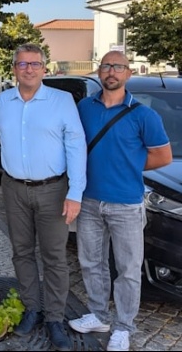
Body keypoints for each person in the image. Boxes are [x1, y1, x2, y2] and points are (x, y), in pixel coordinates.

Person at [0, 43, 86, 351]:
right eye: (22, 64)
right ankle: (32, 308)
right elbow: (0, 133)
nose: (28, 69)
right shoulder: (4, 100)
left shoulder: (62, 101)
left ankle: (54, 318)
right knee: (22, 252)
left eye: (34, 64)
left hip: (53, 190)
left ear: (44, 68)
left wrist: (75, 193)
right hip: (13, 187)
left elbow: (76, 147)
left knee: (54, 257)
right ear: (14, 69)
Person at [68, 51, 172, 351]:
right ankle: (99, 315)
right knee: (91, 262)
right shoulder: (84, 107)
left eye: (118, 67)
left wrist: (128, 164)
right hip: (88, 200)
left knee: (127, 268)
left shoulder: (144, 115)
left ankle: (124, 327)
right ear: (99, 72)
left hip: (126, 204)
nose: (111, 72)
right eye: (106, 66)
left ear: (127, 73)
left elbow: (162, 156)